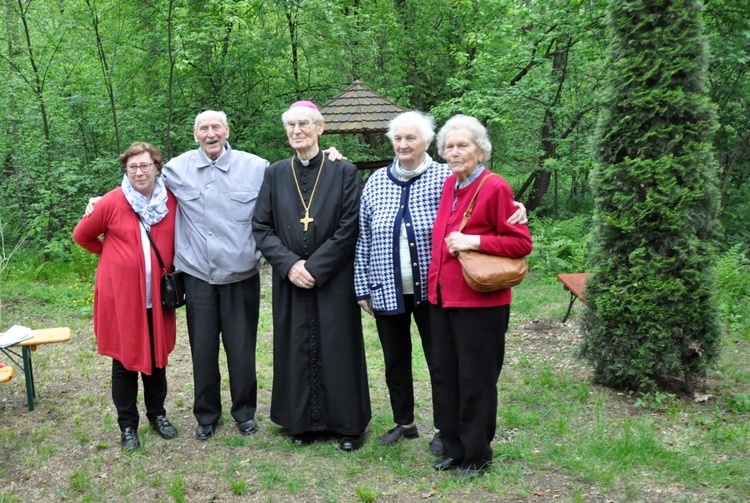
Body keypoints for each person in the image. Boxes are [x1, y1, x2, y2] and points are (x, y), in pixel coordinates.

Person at [354, 111, 528, 454]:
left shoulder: (447, 178)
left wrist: (513, 209)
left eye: (411, 138)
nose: (403, 145)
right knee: (407, 363)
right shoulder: (386, 181)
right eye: (398, 139)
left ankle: (457, 438)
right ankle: (416, 427)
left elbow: (498, 217)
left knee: (450, 367)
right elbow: (363, 235)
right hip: (397, 287)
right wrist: (363, 286)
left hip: (443, 293)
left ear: (428, 143)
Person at [252, 100, 371, 452]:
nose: (297, 131)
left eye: (304, 124)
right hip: (291, 279)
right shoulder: (275, 173)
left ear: (320, 128)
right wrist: (289, 265)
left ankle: (348, 424)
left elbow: (350, 226)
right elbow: (261, 225)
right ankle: (300, 421)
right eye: (291, 126)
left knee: (339, 345)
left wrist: (316, 268)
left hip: (332, 278)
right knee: (295, 345)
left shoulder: (343, 171)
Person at [428, 115, 532, 479]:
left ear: (480, 150)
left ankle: (476, 455)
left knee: (475, 379)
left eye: (463, 146)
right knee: (446, 376)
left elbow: (521, 243)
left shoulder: (495, 187)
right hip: (442, 300)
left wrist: (475, 241)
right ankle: (453, 448)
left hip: (480, 303)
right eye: (450, 147)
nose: (455, 152)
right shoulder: (448, 186)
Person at [73, 142, 179, 451]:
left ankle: (157, 416)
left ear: (157, 167)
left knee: (157, 360)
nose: (139, 171)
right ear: (126, 170)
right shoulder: (111, 201)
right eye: (132, 167)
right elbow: (82, 235)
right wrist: (112, 255)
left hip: (157, 298)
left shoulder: (170, 200)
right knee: (124, 364)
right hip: (122, 298)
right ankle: (127, 426)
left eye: (145, 165)